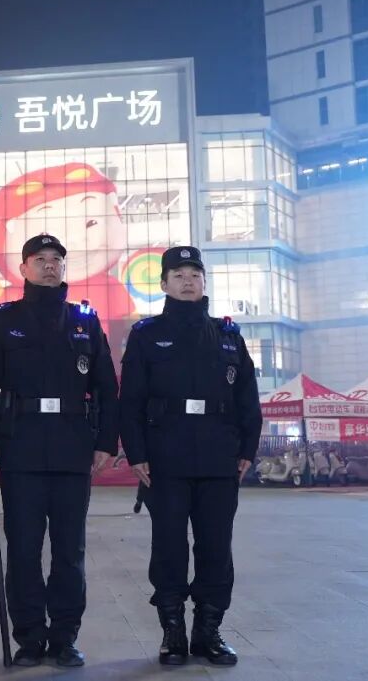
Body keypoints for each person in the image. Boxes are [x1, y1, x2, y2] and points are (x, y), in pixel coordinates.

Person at [0, 233, 120, 668]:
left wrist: (106, 442)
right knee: (23, 550)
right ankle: (30, 638)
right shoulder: (2, 320)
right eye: (40, 259)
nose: (50, 265)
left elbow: (106, 387)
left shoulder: (84, 321)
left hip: (72, 448)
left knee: (70, 551)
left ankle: (65, 637)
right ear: (24, 268)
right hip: (21, 448)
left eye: (56, 259)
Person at [119, 246, 262, 667]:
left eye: (194, 274)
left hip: (219, 457)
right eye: (178, 275)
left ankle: (208, 631)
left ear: (204, 282)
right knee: (169, 546)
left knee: (216, 546)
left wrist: (247, 449)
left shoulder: (228, 336)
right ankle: (173, 632)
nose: (187, 281)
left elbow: (248, 399)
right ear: (163, 284)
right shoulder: (147, 334)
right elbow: (130, 401)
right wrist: (136, 452)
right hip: (165, 457)